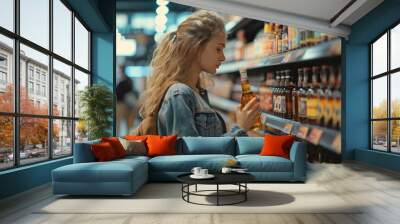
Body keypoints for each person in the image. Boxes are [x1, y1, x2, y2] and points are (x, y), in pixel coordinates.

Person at [138, 10, 259, 137]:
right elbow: (191, 155)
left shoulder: (196, 92)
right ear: (197, 46)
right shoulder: (180, 94)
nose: (223, 57)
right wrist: (240, 128)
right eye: (218, 49)